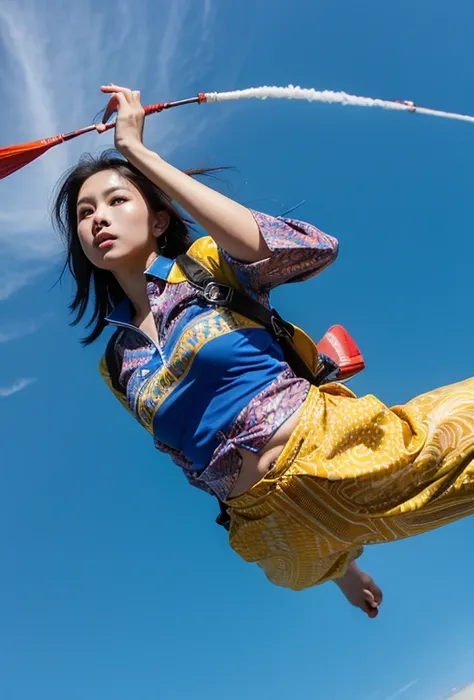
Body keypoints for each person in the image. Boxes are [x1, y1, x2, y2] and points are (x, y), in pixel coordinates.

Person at [53, 84, 474, 619]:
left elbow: (306, 248)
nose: (99, 218)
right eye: (85, 213)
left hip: (338, 451)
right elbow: (188, 462)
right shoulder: (116, 364)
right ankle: (340, 569)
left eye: (117, 200)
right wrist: (344, 573)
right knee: (298, 571)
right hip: (274, 531)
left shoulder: (205, 265)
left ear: (158, 219)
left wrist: (140, 154)